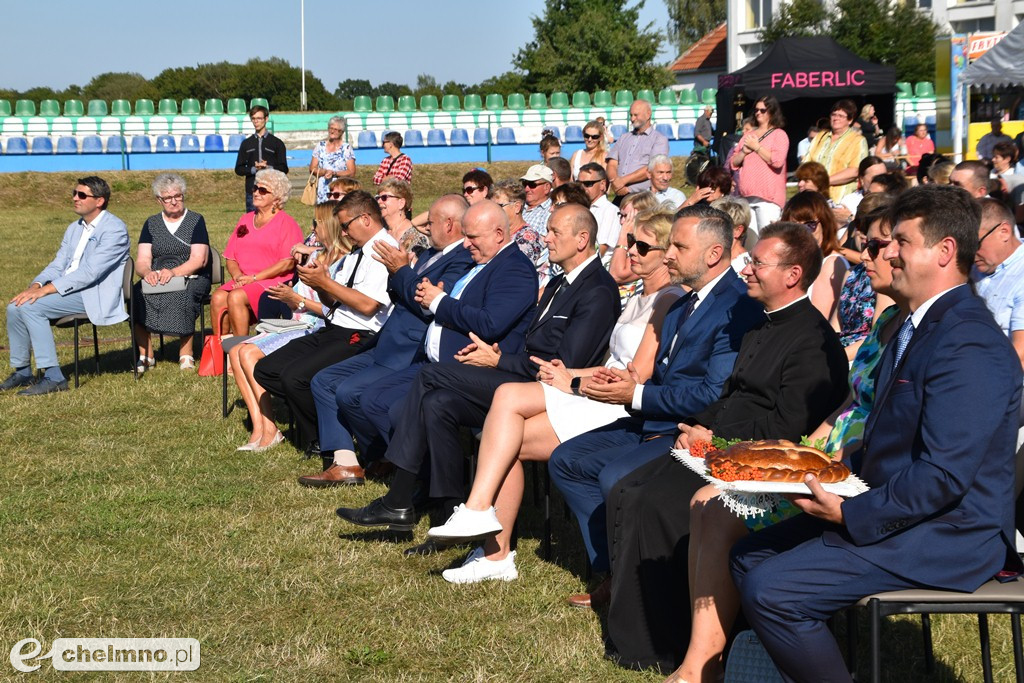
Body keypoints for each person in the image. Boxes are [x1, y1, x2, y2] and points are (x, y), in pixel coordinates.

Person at [731, 185, 1023, 683]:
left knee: (772, 591)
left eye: (901, 242)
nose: (885, 252)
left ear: (945, 252)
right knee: (748, 553)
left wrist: (849, 511)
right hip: (897, 505)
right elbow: (888, 440)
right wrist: (818, 471)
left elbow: (944, 476)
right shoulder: (917, 326)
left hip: (950, 533)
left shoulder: (968, 343)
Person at [663, 204, 908, 683]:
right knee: (704, 501)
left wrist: (805, 460)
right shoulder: (886, 326)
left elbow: (869, 424)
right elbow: (843, 410)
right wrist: (801, 453)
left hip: (853, 477)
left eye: (880, 246)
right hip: (824, 459)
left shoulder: (909, 333)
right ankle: (701, 658)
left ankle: (701, 665)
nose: (870, 256)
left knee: (711, 504)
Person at [602, 222, 849, 672]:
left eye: (757, 262)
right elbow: (733, 394)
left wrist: (716, 440)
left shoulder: (812, 341)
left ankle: (669, 646)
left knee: (655, 502)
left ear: (792, 275)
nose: (747, 269)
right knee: (627, 489)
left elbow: (788, 426)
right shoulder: (760, 322)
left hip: (759, 461)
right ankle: (637, 636)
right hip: (722, 446)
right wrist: (699, 426)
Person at [335, 204, 620, 553]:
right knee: (438, 403)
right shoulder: (562, 280)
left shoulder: (597, 289)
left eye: (554, 232)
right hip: (514, 376)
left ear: (582, 239)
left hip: (544, 391)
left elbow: (565, 367)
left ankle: (398, 500)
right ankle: (447, 515)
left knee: (429, 377)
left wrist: (501, 360)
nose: (544, 238)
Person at [426, 207, 685, 583]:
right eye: (630, 242)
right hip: (596, 387)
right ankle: (495, 554)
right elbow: (609, 360)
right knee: (501, 439)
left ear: (667, 254)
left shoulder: (666, 299)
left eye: (642, 246)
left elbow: (635, 375)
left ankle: (477, 512)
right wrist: (571, 375)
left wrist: (574, 380)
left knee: (508, 402)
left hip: (616, 403)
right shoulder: (639, 297)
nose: (630, 250)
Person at [547, 205, 765, 606]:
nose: (668, 255)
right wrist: (629, 384)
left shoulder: (736, 306)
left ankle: (633, 584)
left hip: (686, 429)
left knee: (614, 478)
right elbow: (663, 374)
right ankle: (615, 569)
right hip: (652, 418)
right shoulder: (685, 302)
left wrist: (637, 394)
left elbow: (711, 393)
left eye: (679, 247)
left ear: (713, 254)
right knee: (566, 460)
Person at [296, 195, 476, 486]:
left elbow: (423, 304)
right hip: (387, 339)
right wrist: (404, 274)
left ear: (450, 224)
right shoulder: (431, 254)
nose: (425, 228)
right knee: (324, 381)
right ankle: (349, 462)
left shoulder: (461, 260)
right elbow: (402, 293)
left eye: (430, 222)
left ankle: (390, 457)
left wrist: (401, 271)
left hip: (409, 347)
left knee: (351, 393)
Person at [251, 191, 396, 450]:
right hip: (334, 327)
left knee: (295, 378)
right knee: (266, 369)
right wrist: (317, 284)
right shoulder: (356, 253)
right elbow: (335, 302)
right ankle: (328, 424)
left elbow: (367, 305)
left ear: (365, 219)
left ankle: (321, 439)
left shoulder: (384, 250)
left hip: (360, 335)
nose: (343, 232)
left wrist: (325, 282)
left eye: (345, 226)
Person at [228, 201, 348, 452]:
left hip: (316, 328)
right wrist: (289, 296)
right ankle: (260, 427)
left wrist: (298, 300)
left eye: (316, 224)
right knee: (237, 349)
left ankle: (270, 428)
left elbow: (335, 311)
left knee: (248, 353)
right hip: (296, 322)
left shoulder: (342, 263)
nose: (312, 230)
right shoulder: (316, 256)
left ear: (330, 225)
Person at [3, 176, 129, 396]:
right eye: (74, 193)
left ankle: (54, 377)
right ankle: (23, 371)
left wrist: (48, 290)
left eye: (81, 195)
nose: (75, 198)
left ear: (99, 201)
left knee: (31, 307)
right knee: (15, 305)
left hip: (94, 293)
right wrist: (37, 284)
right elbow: (59, 263)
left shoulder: (114, 229)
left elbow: (90, 273)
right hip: (69, 289)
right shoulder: (74, 228)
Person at [132, 173, 211, 373]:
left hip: (191, 274)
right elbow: (141, 260)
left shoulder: (195, 220)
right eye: (168, 198)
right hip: (158, 274)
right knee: (135, 294)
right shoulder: (151, 223)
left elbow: (199, 259)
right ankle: (146, 354)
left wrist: (174, 272)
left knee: (183, 293)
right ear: (159, 200)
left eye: (178, 196)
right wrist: (147, 273)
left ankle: (186, 354)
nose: (174, 201)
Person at [212, 169, 303, 337]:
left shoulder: (287, 223)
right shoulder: (245, 219)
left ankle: (241, 349)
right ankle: (220, 354)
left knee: (236, 297)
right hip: (244, 279)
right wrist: (238, 276)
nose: (256, 193)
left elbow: (287, 263)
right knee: (218, 297)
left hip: (272, 280)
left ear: (277, 197)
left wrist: (254, 278)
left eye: (263, 190)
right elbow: (230, 257)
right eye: (255, 188)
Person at [833, 195, 896, 361]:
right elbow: (835, 326)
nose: (863, 256)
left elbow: (876, 337)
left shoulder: (885, 280)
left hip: (860, 357)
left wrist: (835, 359)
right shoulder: (852, 274)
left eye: (873, 245)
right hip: (840, 352)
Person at [781, 190, 849, 323]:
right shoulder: (798, 262)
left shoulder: (832, 264)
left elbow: (818, 323)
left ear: (825, 224)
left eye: (810, 225)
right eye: (794, 226)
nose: (802, 232)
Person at [731, 95, 789, 210]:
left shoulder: (779, 134)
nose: (758, 113)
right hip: (746, 197)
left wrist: (757, 147)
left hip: (768, 199)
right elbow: (733, 163)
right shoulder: (748, 135)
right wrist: (743, 152)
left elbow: (777, 161)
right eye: (756, 110)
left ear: (772, 112)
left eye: (762, 110)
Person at [806, 99, 869, 202]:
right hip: (814, 197)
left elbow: (854, 171)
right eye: (834, 115)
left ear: (850, 120)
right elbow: (807, 163)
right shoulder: (820, 137)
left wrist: (823, 182)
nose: (836, 118)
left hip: (840, 200)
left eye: (841, 116)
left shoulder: (858, 140)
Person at [607, 100, 670, 199]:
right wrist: (615, 182)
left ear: (648, 114)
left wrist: (623, 181)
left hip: (643, 197)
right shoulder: (623, 137)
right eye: (631, 115)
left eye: (636, 115)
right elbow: (612, 163)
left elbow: (653, 168)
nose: (632, 119)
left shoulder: (659, 139)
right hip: (619, 195)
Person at [493, 179, 549, 287]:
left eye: (499, 206)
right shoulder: (500, 233)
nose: (493, 211)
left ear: (517, 207)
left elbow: (516, 276)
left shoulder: (527, 239)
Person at [234, 105, 288, 212]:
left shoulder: (277, 143)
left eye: (259, 118)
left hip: (272, 191)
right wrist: (254, 169)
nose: (256, 122)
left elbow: (284, 168)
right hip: (252, 192)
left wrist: (268, 168)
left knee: (272, 224)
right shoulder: (246, 144)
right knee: (253, 223)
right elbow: (238, 169)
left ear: (266, 119)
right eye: (253, 119)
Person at [578, 162, 620, 260]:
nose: (582, 188)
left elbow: (600, 249)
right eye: (578, 183)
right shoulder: (578, 208)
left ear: (602, 184)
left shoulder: (610, 211)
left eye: (588, 184)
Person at [309, 116, 355, 203]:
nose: (332, 131)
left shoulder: (346, 148)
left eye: (336, 129)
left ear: (342, 132)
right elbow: (312, 169)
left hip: (340, 192)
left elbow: (351, 172)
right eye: (331, 128)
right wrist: (324, 172)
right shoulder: (320, 146)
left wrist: (334, 173)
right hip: (323, 191)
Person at [710, 196, 753, 273]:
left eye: (719, 227)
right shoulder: (707, 255)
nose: (710, 231)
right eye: (709, 225)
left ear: (737, 231)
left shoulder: (745, 268)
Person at [374, 178, 415, 245]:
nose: (378, 201)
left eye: (384, 197)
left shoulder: (414, 234)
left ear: (401, 203)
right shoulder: (381, 233)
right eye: (377, 198)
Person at [520, 164, 554, 236]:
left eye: (532, 184)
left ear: (546, 187)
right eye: (525, 183)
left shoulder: (551, 212)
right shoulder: (517, 205)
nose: (526, 189)